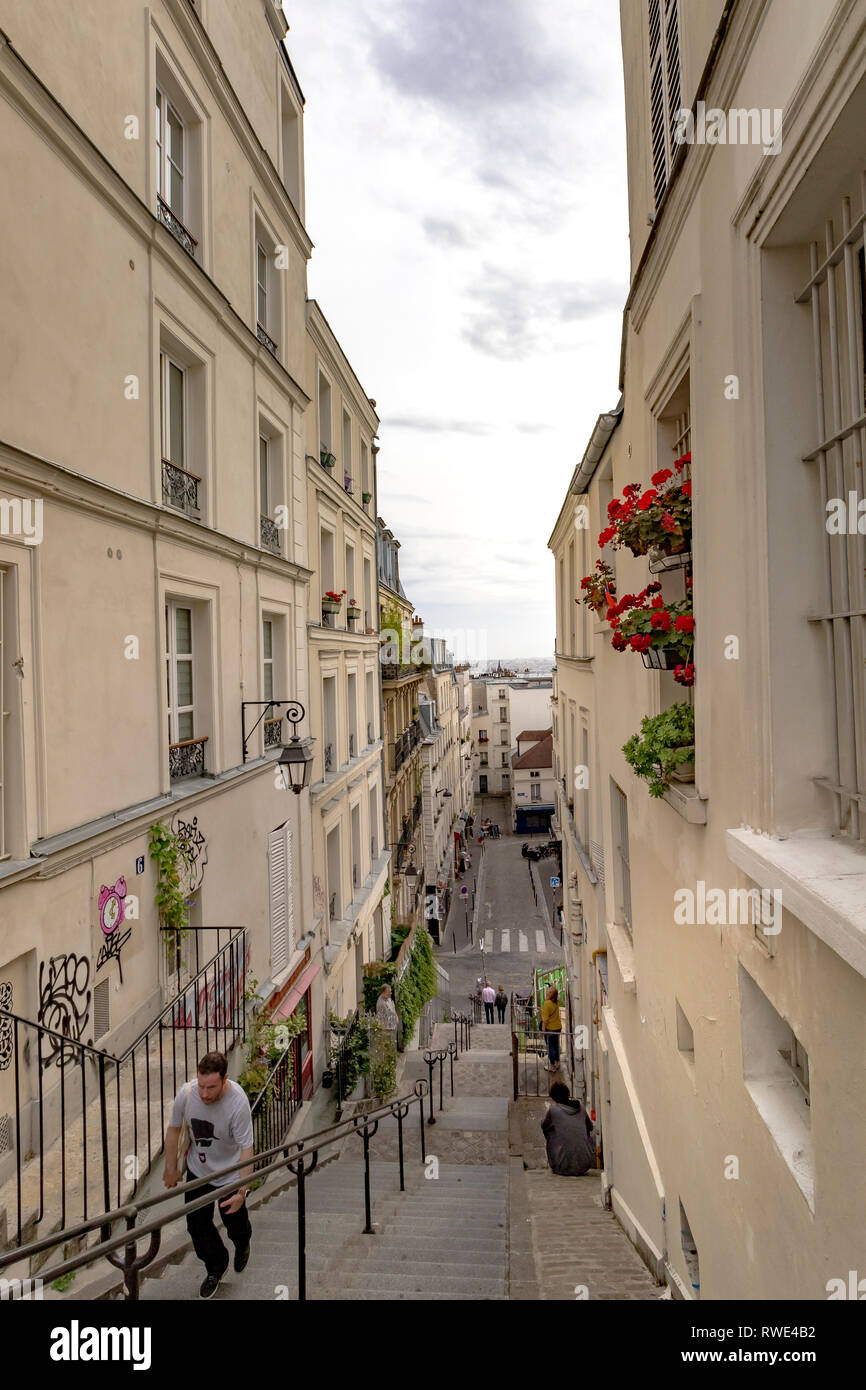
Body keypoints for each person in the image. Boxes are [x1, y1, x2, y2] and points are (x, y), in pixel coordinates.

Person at [164, 1051, 255, 1299]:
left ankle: (242, 1240)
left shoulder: (237, 1102)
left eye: (211, 1087)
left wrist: (242, 1190)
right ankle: (216, 1266)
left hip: (230, 1172)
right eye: (201, 1085)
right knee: (196, 1225)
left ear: (225, 1079)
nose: (205, 1094)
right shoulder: (188, 1093)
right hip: (199, 1170)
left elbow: (247, 1148)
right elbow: (173, 1130)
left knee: (234, 1222)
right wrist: (170, 1167)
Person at [541, 1082, 595, 1176]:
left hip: (562, 1167)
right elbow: (590, 1127)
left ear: (554, 1097)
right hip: (585, 1165)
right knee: (585, 1129)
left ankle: (557, 1159)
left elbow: (544, 1126)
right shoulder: (581, 1108)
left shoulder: (554, 1110)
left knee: (550, 1131)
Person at [541, 985, 562, 1070]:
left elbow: (545, 1020)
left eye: (549, 992)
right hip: (558, 1027)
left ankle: (552, 1065)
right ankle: (557, 1062)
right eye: (547, 990)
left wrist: (543, 1030)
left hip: (550, 1029)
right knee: (556, 1045)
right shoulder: (556, 1002)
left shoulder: (546, 1004)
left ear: (551, 995)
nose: (546, 992)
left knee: (550, 1047)